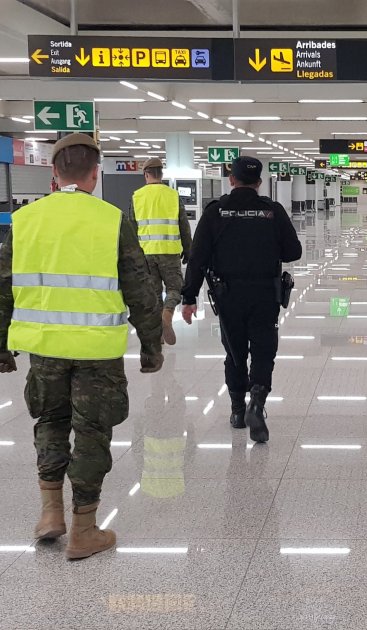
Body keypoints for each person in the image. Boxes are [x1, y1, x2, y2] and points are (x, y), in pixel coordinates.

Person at [0, 133, 163, 560]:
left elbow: (2, 287)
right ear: (96, 173)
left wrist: (2, 345)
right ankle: (84, 529)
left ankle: (50, 512)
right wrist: (151, 347)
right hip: (97, 350)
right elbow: (140, 289)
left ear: (53, 173)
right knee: (92, 431)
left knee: (50, 421)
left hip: (44, 348)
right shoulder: (110, 220)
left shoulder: (25, 220)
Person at [181, 157, 302, 443]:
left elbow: (197, 258)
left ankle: (237, 411)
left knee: (234, 352)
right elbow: (293, 252)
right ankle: (257, 403)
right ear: (259, 182)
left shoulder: (215, 212)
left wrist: (188, 297)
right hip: (264, 294)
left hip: (228, 295)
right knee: (263, 350)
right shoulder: (272, 211)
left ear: (231, 180)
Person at [129, 158, 192, 345]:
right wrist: (188, 250)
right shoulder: (173, 195)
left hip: (145, 253)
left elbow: (131, 229)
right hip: (169, 251)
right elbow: (184, 225)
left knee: (154, 293)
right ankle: (167, 315)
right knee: (175, 288)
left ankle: (158, 336)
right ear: (161, 174)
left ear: (146, 174)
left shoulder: (136, 196)